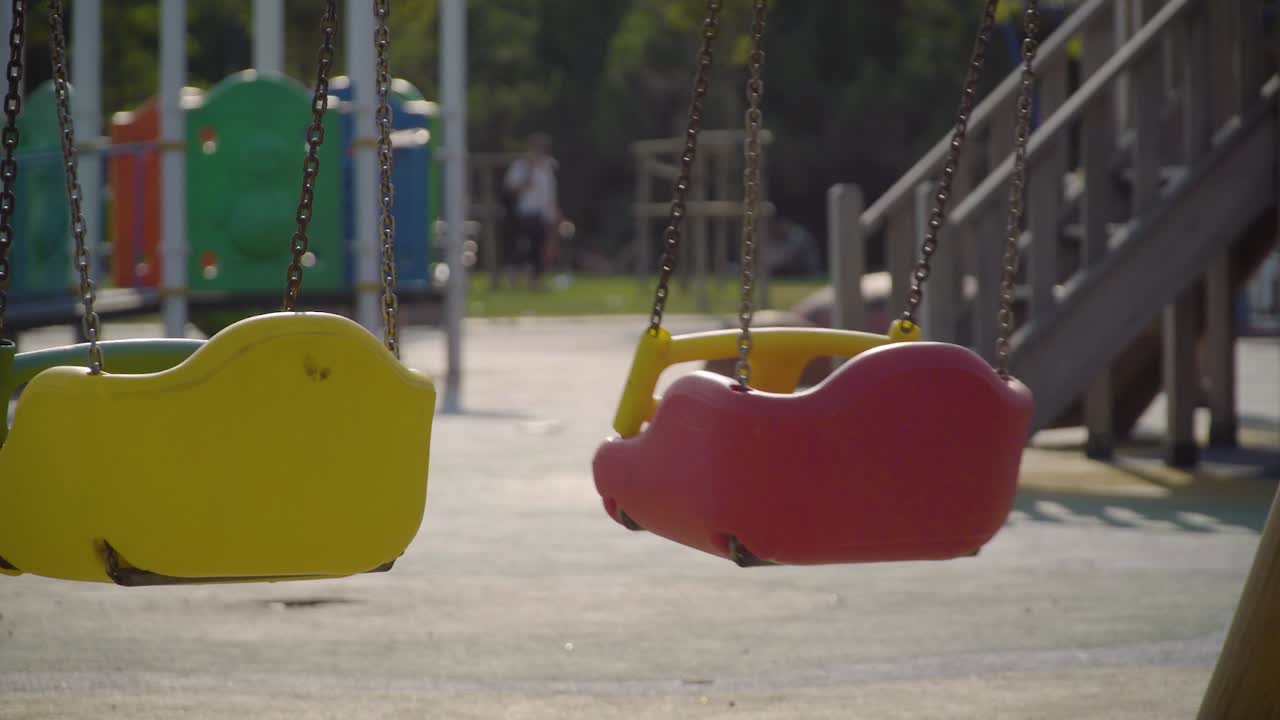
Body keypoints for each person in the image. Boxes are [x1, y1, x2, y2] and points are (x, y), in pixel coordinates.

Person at [502, 132, 561, 289]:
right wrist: (526, 183)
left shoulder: (549, 165)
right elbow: (510, 186)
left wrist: (554, 210)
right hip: (525, 211)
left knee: (539, 246)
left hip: (543, 212)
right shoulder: (522, 165)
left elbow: (551, 190)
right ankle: (514, 276)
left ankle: (536, 280)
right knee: (522, 246)